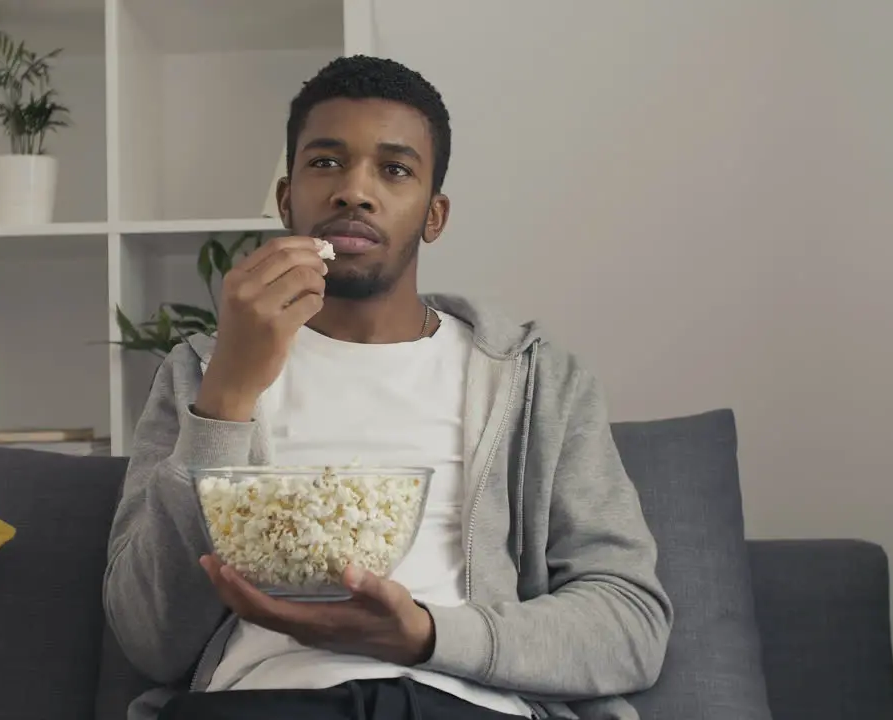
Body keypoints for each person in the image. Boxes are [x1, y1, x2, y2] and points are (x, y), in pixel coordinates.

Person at [103, 55, 673, 720]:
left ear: (434, 215)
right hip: (266, 699)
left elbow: (631, 627)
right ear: (287, 200)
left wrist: (427, 635)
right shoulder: (201, 371)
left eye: (394, 169)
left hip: (463, 701)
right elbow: (149, 638)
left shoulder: (537, 382)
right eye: (326, 163)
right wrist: (227, 396)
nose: (354, 191)